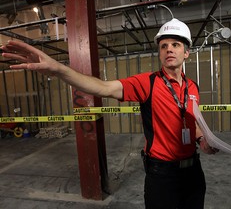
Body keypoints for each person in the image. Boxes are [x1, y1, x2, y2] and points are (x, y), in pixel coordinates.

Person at [1, 18, 218, 209]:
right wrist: (59, 69)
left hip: (193, 172)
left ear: (186, 52)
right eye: (164, 46)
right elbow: (102, 87)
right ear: (159, 52)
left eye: (176, 44)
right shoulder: (147, 83)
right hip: (162, 175)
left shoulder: (193, 87)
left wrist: (201, 139)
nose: (169, 49)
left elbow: (192, 120)